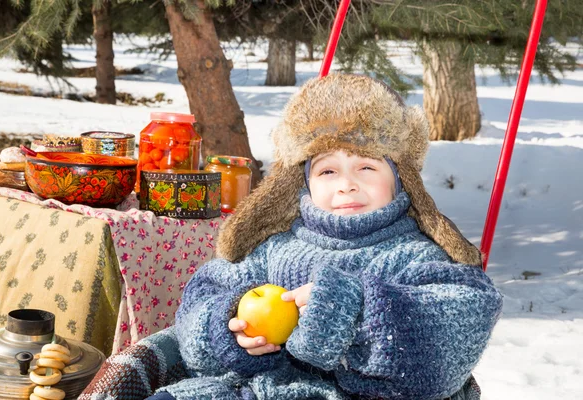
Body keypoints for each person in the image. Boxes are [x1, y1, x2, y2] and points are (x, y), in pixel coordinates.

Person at [148, 74, 503, 400]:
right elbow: (196, 313)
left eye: (366, 166)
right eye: (328, 170)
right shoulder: (274, 247)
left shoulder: (415, 256)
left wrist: (352, 314)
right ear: (304, 183)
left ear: (400, 177)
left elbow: (456, 331)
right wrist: (229, 330)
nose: (347, 183)